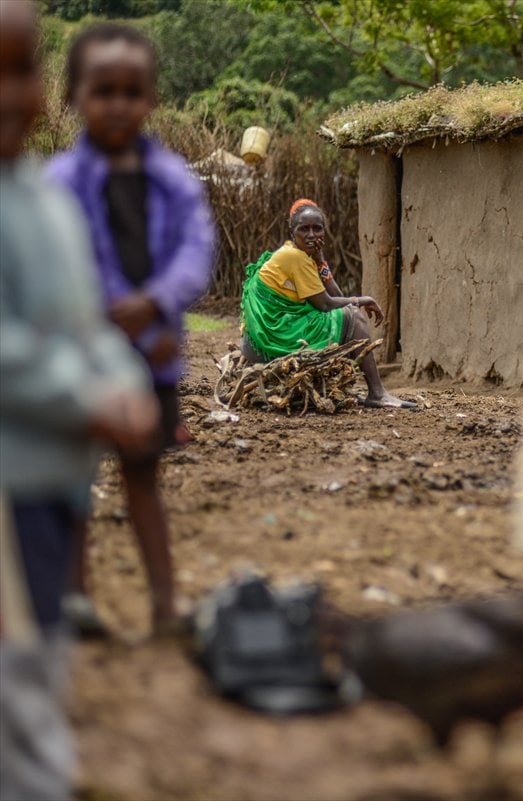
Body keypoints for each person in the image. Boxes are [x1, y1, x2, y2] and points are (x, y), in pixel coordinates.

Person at [1, 2, 157, 795]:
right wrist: (84, 397)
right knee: (17, 683)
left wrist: (123, 380)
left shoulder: (48, 202)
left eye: (20, 68)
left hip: (51, 485)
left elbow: (85, 319)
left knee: (40, 655)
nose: (8, 92)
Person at [45, 22, 214, 635]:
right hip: (83, 357)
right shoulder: (58, 184)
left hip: (153, 358)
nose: (118, 105)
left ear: (151, 97)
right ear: (73, 96)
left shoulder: (173, 179)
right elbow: (66, 265)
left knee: (144, 476)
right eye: (103, 91)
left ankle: (165, 605)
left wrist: (157, 304)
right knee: (73, 478)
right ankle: (74, 600)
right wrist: (126, 315)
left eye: (132, 92)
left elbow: (196, 250)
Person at [240, 198, 416, 409]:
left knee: (349, 314)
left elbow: (335, 297)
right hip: (271, 341)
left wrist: (320, 259)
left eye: (317, 228)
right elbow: (325, 304)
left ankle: (375, 392)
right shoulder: (296, 257)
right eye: (304, 229)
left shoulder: (297, 254)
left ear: (324, 231)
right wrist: (364, 300)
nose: (311, 234)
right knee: (354, 318)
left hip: (265, 338)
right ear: (292, 232)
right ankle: (377, 393)